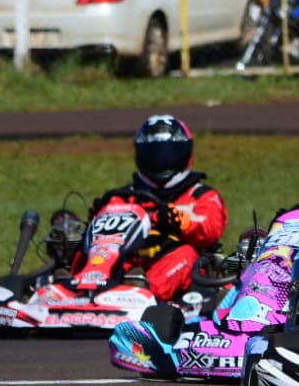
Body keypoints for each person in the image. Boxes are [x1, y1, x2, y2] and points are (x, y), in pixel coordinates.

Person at [57, 114, 228, 302]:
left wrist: (180, 220)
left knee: (185, 254)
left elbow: (211, 227)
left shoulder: (201, 195)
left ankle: (142, 293)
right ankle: (72, 288)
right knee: (89, 250)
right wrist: (97, 219)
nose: (161, 160)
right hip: (127, 260)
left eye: (168, 153)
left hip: (181, 272)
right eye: (154, 153)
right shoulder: (125, 196)